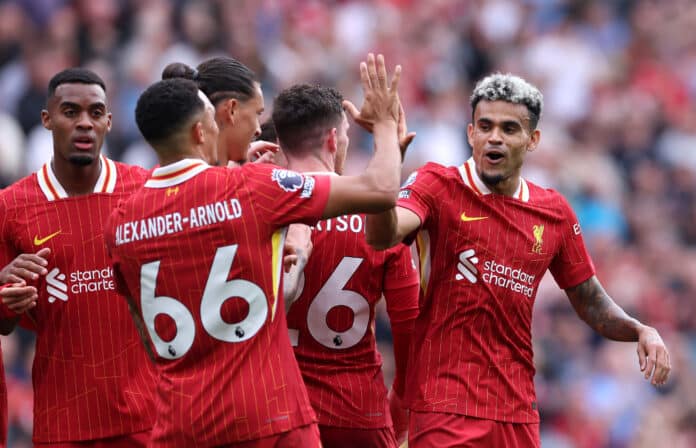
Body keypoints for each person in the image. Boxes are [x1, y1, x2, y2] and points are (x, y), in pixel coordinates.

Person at [104, 53, 404, 447]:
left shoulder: (120, 222)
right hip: (268, 417)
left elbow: (148, 336)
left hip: (181, 426)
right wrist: (383, 125)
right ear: (200, 132)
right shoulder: (252, 188)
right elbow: (380, 189)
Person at [365, 73, 671, 447]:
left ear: (532, 140)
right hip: (445, 406)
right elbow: (382, 235)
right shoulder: (437, 185)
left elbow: (589, 300)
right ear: (470, 134)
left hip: (517, 413)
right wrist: (387, 170)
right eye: (485, 126)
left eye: (510, 128)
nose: (495, 137)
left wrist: (640, 329)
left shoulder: (553, 212)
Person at [0, 68, 156, 446]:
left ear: (108, 121)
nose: (84, 123)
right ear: (47, 119)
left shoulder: (144, 191)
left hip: (146, 417)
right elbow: (4, 324)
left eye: (95, 112)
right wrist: (5, 296)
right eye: (70, 112)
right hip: (63, 422)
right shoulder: (12, 205)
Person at [273, 83, 420, 448]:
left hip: (279, 412)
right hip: (359, 418)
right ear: (334, 140)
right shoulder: (378, 219)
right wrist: (395, 422)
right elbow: (411, 344)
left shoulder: (257, 208)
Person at [162, 57, 279, 166]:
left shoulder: (157, 179)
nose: (258, 130)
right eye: (257, 113)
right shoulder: (251, 182)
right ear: (231, 109)